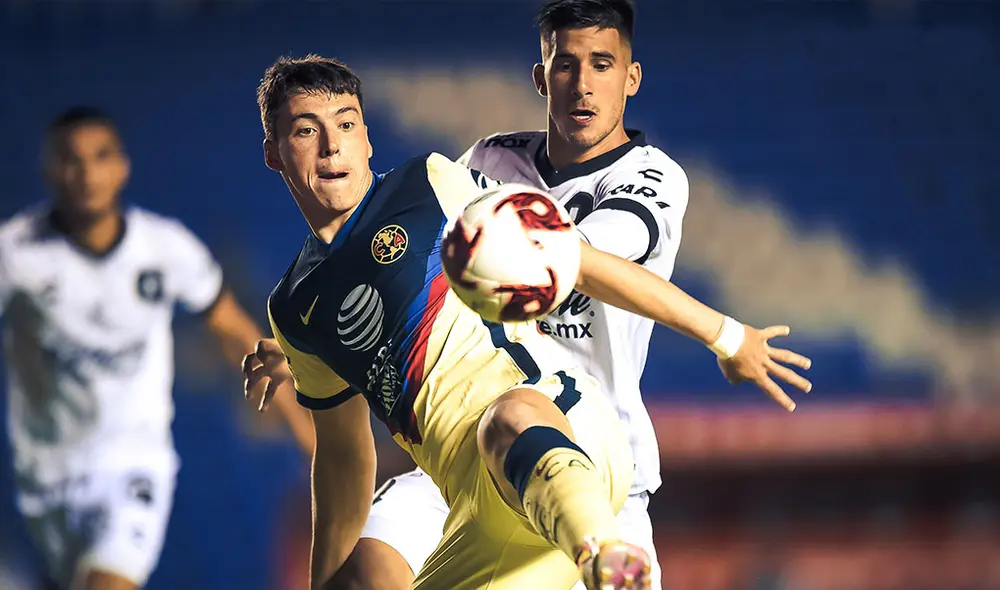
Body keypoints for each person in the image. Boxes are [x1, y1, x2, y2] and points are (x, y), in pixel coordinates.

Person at [243, 54, 810, 590]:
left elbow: (579, 264)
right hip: (479, 514)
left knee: (506, 418)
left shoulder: (431, 185)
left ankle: (604, 554)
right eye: (305, 130)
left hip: (560, 429)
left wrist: (725, 334)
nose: (331, 147)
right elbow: (343, 458)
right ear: (273, 153)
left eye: (346, 124)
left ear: (367, 137)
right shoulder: (294, 308)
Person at [332, 1, 731, 588]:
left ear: (632, 77)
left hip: (596, 464)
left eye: (602, 64)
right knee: (364, 572)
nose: (583, 85)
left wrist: (725, 334)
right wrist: (308, 342)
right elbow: (407, 271)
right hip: (474, 453)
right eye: (565, 65)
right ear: (541, 76)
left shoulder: (653, 177)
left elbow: (574, 259)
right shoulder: (488, 161)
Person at [0, 107, 313, 590]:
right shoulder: (16, 257)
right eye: (70, 159)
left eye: (100, 157)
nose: (86, 174)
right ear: (49, 169)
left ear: (122, 167)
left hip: (132, 468)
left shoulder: (164, 250)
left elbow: (236, 333)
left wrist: (308, 435)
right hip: (44, 478)